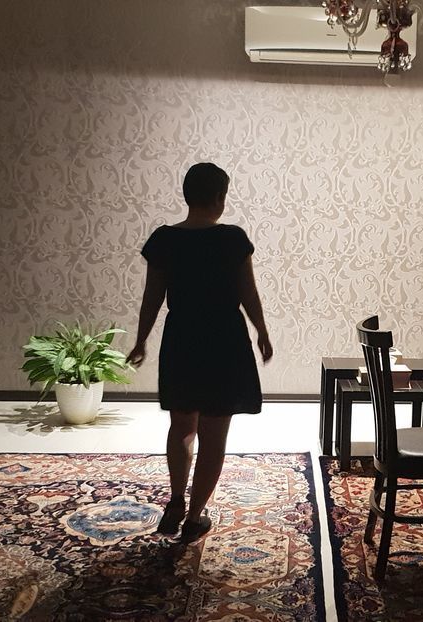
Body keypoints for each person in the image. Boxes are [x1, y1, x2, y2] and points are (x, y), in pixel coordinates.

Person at [127, 162, 273, 543]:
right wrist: (262, 332)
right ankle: (195, 517)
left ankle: (176, 499)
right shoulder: (232, 239)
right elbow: (248, 294)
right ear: (220, 198)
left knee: (182, 427)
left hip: (182, 338)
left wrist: (141, 340)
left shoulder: (163, 240)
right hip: (224, 339)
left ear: (187, 195)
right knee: (214, 435)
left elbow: (152, 299)